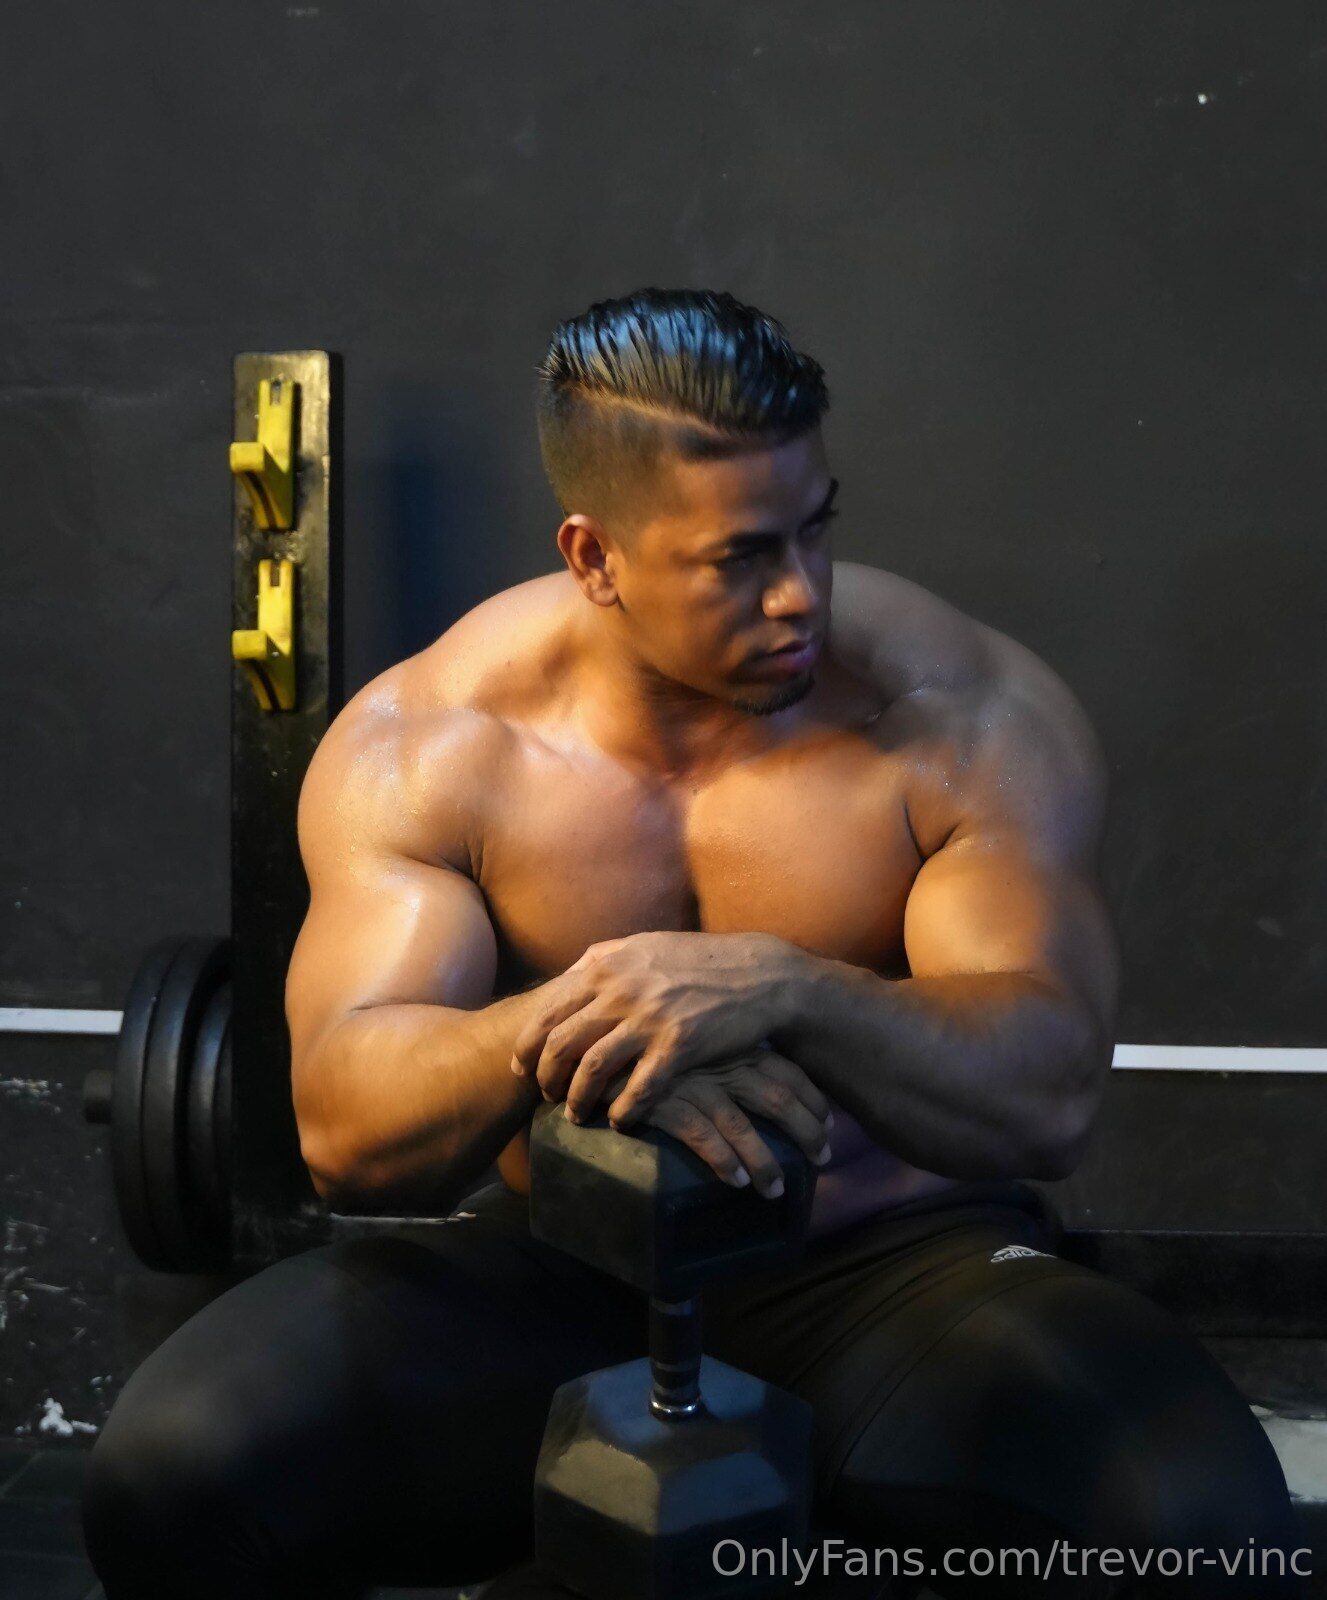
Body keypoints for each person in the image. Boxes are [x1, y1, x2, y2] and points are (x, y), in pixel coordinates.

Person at [83, 289, 1307, 1598]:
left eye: (816, 529)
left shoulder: (959, 716)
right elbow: (346, 1125)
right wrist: (593, 1013)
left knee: (1208, 1535)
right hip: (572, 1265)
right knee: (176, 1476)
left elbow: (1048, 1094)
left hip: (898, 1271)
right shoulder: (435, 747)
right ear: (595, 557)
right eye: (739, 558)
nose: (800, 596)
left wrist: (792, 990)